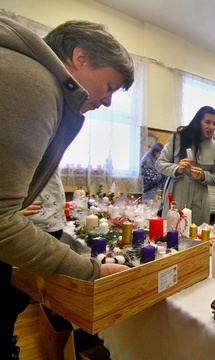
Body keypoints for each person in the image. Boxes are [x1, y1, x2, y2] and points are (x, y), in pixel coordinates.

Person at [0, 18, 134, 358]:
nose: (107, 102)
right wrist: (92, 270)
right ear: (80, 58)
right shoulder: (33, 83)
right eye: (109, 86)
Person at [156, 106, 215, 225]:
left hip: (200, 202)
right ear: (198, 122)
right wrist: (177, 168)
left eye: (214, 123)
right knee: (172, 235)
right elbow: (160, 164)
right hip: (176, 196)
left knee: (197, 236)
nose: (211, 127)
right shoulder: (177, 138)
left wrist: (203, 176)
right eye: (207, 122)